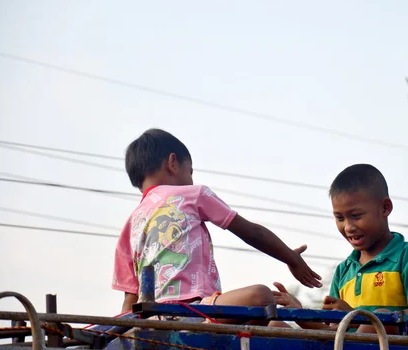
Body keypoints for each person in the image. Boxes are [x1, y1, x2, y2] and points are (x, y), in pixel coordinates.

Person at [112, 128, 322, 318]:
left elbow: (129, 301)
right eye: (190, 171)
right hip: (195, 310)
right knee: (261, 295)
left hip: (153, 319)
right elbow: (252, 232)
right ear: (172, 163)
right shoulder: (192, 194)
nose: (191, 179)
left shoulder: (130, 226)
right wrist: (292, 258)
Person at [273, 164, 408, 333]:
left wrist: (357, 318)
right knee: (275, 328)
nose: (348, 227)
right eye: (340, 218)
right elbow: (333, 333)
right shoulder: (343, 271)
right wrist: (300, 313)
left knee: (379, 319)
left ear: (385, 208)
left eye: (356, 216)